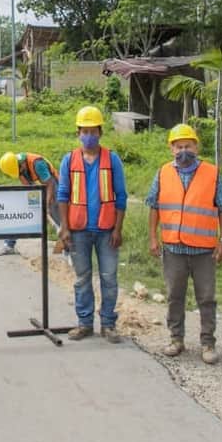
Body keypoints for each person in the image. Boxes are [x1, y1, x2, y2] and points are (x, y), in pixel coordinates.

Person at [146, 124, 222, 364]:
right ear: (172, 149)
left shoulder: (212, 173)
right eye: (179, 146)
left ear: (196, 146)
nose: (184, 150)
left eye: (188, 146)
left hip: (204, 250)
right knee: (175, 295)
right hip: (173, 248)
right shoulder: (163, 173)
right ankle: (176, 339)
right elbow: (154, 206)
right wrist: (153, 237)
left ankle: (208, 343)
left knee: (206, 297)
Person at [58, 106, 127, 342]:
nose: (89, 135)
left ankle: (108, 324)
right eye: (84, 131)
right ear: (78, 132)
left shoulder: (112, 160)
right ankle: (84, 323)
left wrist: (118, 229)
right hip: (78, 231)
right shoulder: (69, 160)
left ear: (100, 132)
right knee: (82, 278)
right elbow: (63, 195)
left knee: (109, 277)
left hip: (106, 231)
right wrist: (64, 229)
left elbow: (121, 196)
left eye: (93, 130)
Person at [0, 150, 60, 256]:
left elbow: (50, 184)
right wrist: (33, 204)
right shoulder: (17, 167)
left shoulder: (37, 164)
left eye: (20, 171)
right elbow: (28, 187)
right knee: (20, 213)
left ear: (21, 164)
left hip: (53, 188)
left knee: (57, 216)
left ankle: (70, 248)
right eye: (18, 173)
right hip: (37, 189)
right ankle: (9, 245)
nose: (20, 174)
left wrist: (46, 205)